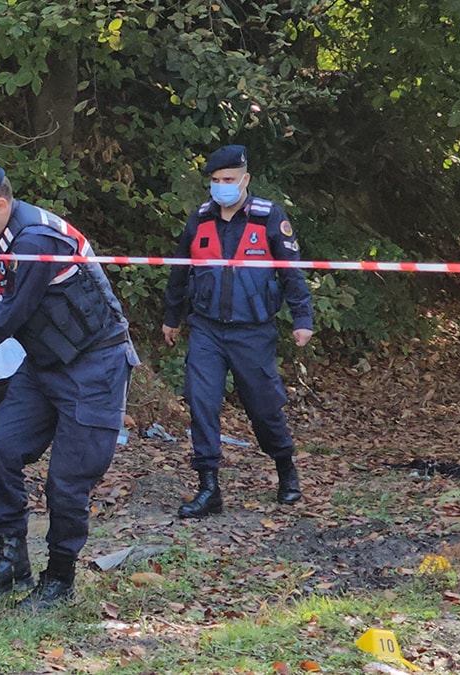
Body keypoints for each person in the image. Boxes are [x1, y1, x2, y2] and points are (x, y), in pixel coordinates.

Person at [0, 162, 138, 611]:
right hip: (45, 364)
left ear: (1, 203)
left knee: (66, 483)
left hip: (94, 367)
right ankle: (12, 561)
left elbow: (16, 313)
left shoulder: (36, 239)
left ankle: (60, 578)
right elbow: (4, 289)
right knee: (2, 451)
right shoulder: (11, 236)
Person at [161, 144, 313, 519]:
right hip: (207, 329)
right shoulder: (199, 220)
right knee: (201, 401)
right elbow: (180, 272)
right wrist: (171, 317)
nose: (222, 187)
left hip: (253, 331)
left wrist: (302, 319)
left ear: (245, 180)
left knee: (264, 407)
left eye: (229, 180)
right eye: (216, 181)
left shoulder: (268, 217)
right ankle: (208, 488)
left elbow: (291, 271)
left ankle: (285, 469)